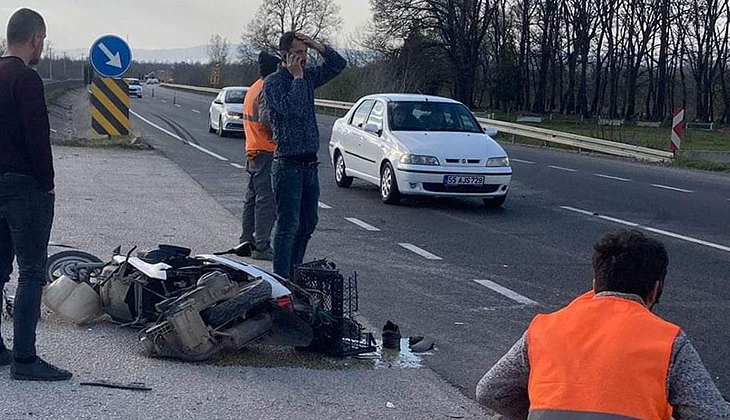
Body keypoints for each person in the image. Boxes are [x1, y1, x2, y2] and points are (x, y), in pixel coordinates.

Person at [476, 229, 730, 420]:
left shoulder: (545, 328)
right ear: (655, 290)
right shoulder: (668, 340)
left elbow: (490, 391)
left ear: (595, 281)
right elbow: (713, 414)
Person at [0, 8, 72, 381]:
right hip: (24, 187)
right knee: (30, 272)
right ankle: (25, 360)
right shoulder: (26, 79)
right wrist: (47, 184)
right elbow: (36, 139)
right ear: (36, 39)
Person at [264, 32, 346, 278]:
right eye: (298, 54)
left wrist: (319, 47)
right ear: (284, 55)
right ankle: (282, 277)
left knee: (308, 223)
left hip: (309, 164)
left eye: (305, 53)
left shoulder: (308, 77)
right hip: (287, 164)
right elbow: (292, 109)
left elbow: (338, 65)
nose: (302, 59)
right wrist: (297, 79)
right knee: (288, 225)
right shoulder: (274, 83)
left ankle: (295, 270)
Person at [239, 52, 280, 261]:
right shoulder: (266, 88)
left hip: (252, 149)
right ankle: (262, 246)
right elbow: (267, 120)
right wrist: (282, 133)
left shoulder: (253, 88)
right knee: (266, 201)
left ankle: (246, 241)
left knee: (252, 198)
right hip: (266, 150)